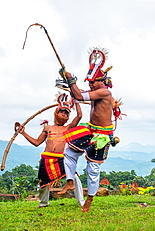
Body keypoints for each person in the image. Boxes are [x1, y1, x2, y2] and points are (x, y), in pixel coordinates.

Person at [57, 48, 120, 213]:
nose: (90, 85)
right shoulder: (95, 91)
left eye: (93, 82)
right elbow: (77, 93)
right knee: (69, 151)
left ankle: (90, 199)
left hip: (102, 136)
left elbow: (78, 95)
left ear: (102, 81)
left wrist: (71, 80)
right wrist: (67, 80)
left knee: (92, 168)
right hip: (90, 130)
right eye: (89, 82)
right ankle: (69, 180)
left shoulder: (104, 92)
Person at [17, 93, 85, 208]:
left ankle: (81, 202)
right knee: (44, 182)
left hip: (62, 158)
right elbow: (36, 142)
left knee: (74, 178)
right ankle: (43, 203)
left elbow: (79, 116)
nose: (63, 114)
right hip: (47, 158)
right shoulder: (47, 128)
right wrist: (23, 132)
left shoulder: (68, 128)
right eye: (61, 112)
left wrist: (77, 101)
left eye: (66, 113)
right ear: (56, 112)